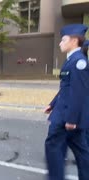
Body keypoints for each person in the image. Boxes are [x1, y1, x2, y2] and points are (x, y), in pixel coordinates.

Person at [44, 24, 89, 180]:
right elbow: (66, 88)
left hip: (65, 118)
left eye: (63, 40)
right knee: (82, 153)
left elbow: (79, 93)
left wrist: (71, 119)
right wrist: (53, 103)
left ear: (74, 40)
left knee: (53, 147)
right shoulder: (72, 60)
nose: (60, 43)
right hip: (65, 113)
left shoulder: (78, 62)